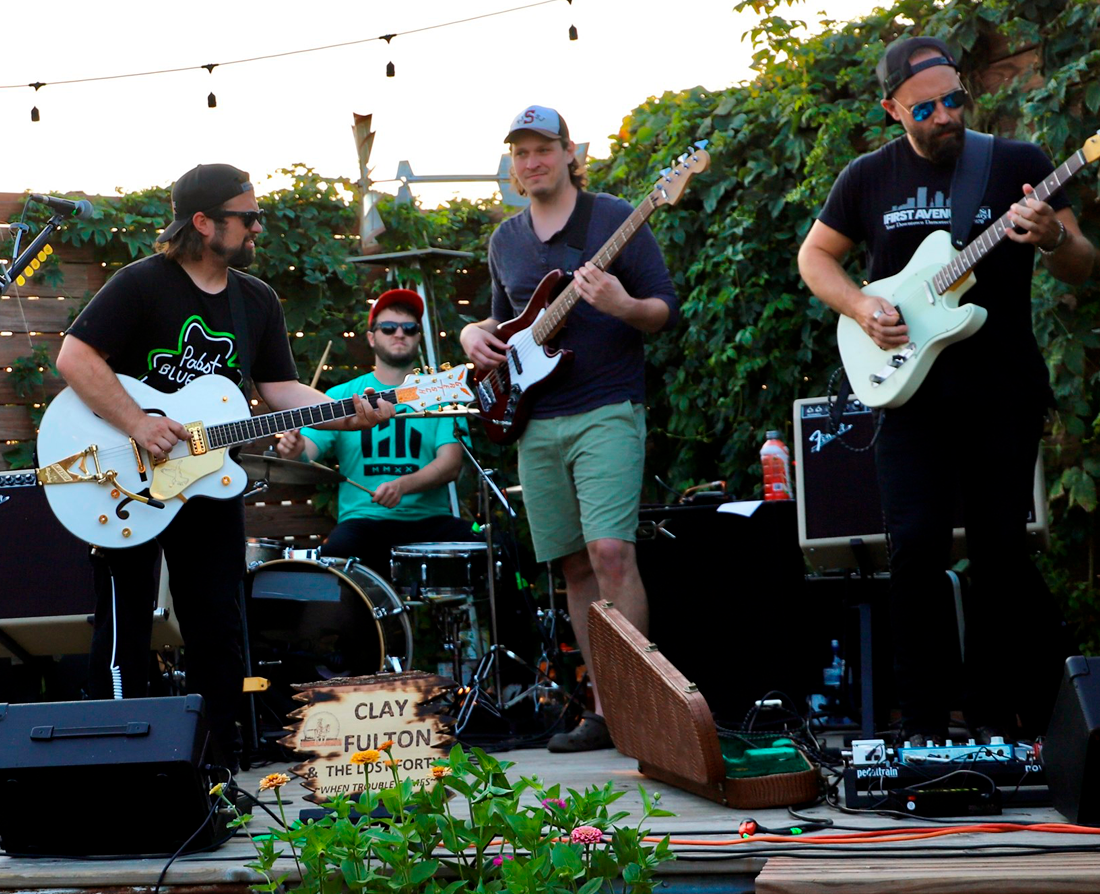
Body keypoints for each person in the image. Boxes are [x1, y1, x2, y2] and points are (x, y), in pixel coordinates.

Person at [798, 36, 1095, 745]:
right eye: (925, 106)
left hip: (1002, 389)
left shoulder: (1018, 164)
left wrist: (1053, 235)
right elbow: (816, 256)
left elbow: (1082, 264)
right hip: (908, 397)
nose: (945, 115)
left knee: (1000, 550)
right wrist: (861, 307)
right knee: (915, 549)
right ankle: (924, 725)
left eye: (953, 99)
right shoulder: (868, 177)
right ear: (892, 108)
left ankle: (999, 718)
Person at [55, 163, 393, 775]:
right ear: (203, 222)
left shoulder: (254, 299)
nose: (258, 227)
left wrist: (351, 414)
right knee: (124, 623)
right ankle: (120, 765)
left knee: (218, 624)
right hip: (124, 478)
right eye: (248, 216)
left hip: (208, 481)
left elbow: (282, 388)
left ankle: (218, 768)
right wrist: (136, 422)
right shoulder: (140, 284)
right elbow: (74, 356)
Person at [459, 106, 679, 753]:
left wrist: (621, 304)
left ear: (568, 150)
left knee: (612, 553)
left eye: (542, 150)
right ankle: (607, 711)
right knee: (574, 568)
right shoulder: (505, 240)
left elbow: (663, 310)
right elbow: (505, 327)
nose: (531, 163)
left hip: (607, 406)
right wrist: (474, 333)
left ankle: (644, 702)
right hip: (536, 421)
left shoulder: (615, 218)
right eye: (520, 154)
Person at [275, 288, 471, 574]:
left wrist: (402, 486)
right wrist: (294, 450)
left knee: (493, 547)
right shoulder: (342, 396)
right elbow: (307, 451)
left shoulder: (440, 392)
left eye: (409, 327)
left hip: (429, 521)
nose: (399, 334)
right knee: (332, 564)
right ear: (371, 337)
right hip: (363, 522)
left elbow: (451, 463)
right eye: (389, 327)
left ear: (419, 335)